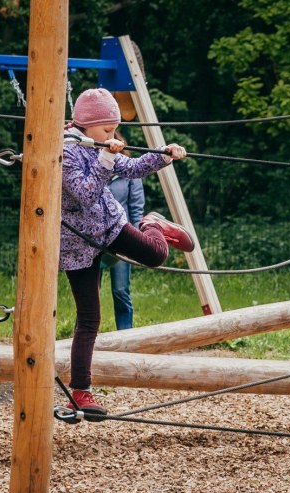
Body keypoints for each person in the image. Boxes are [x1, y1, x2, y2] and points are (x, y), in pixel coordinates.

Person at [61, 88, 195, 417]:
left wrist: (163, 156)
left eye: (113, 130)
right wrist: (107, 155)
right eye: (107, 130)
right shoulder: (67, 152)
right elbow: (84, 194)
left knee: (156, 255)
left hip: (110, 225)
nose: (111, 135)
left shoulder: (100, 143)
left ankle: (153, 223)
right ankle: (80, 392)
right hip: (77, 243)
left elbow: (133, 167)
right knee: (89, 318)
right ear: (87, 124)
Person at [103, 131, 145, 330]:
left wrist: (137, 242)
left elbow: (136, 208)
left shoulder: (129, 174)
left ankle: (125, 334)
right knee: (89, 292)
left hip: (121, 236)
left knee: (120, 290)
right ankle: (86, 334)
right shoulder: (97, 168)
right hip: (95, 238)